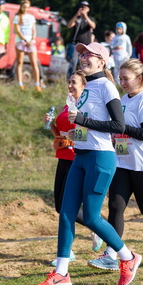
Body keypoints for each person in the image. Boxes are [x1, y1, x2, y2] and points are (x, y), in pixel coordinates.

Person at [37, 42, 141, 285]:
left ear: (102, 62)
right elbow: (89, 126)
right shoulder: (86, 88)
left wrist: (83, 121)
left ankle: (128, 257)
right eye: (82, 54)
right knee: (66, 213)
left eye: (89, 55)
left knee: (92, 218)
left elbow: (118, 125)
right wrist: (75, 133)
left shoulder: (106, 86)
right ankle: (62, 273)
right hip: (80, 156)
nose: (83, 57)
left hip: (100, 157)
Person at [89, 59, 143, 271]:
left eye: (126, 79)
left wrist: (121, 128)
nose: (122, 83)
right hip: (124, 162)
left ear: (140, 78)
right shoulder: (123, 99)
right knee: (115, 206)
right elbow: (119, 128)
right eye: (120, 79)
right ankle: (111, 254)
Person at [46, 71, 102, 265]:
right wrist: (50, 124)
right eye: (69, 81)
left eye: (74, 82)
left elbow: (87, 134)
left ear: (84, 86)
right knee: (59, 206)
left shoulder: (86, 106)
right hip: (62, 157)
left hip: (76, 159)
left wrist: (72, 137)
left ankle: (70, 249)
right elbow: (60, 134)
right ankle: (95, 226)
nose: (70, 85)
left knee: (67, 208)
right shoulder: (68, 103)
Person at [14, 0, 42, 91]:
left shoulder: (31, 17)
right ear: (21, 7)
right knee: (20, 63)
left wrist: (32, 39)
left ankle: (37, 84)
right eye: (24, 7)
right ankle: (20, 84)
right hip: (21, 41)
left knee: (34, 63)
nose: (25, 9)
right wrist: (25, 40)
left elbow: (34, 30)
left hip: (31, 42)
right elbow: (18, 31)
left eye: (27, 7)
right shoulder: (17, 17)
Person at [67, 1, 96, 76]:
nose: (83, 8)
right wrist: (77, 15)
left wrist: (85, 16)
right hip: (76, 44)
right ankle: (70, 78)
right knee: (73, 62)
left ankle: (82, 78)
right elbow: (69, 25)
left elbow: (93, 26)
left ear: (88, 9)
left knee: (83, 63)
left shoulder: (90, 19)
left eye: (85, 7)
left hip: (86, 45)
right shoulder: (77, 19)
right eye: (82, 7)